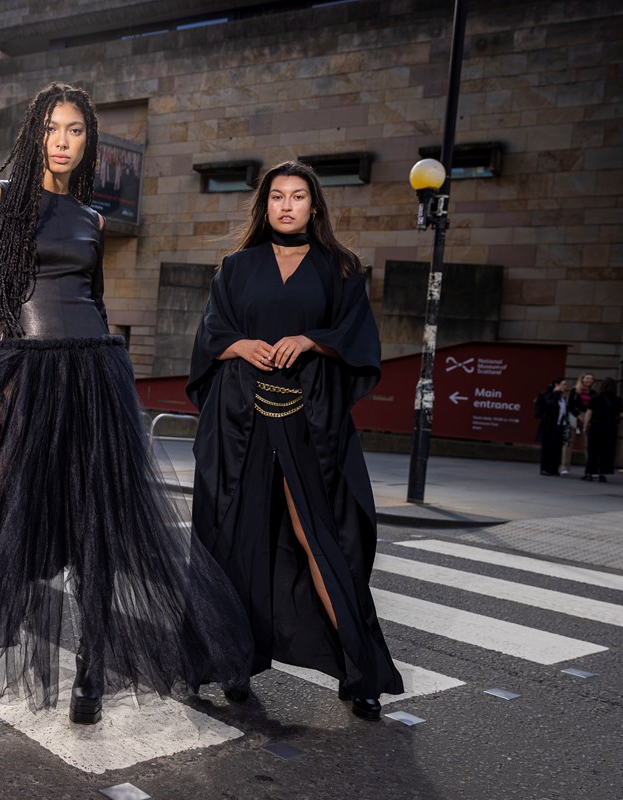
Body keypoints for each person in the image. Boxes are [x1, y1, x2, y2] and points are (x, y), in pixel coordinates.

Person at [0, 82, 251, 735]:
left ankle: (92, 673)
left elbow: (95, 304)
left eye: (75, 130)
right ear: (34, 133)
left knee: (96, 525)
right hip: (20, 374)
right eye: (53, 128)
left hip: (93, 373)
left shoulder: (92, 218)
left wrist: (112, 378)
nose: (64, 141)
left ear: (88, 139)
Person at [187, 160, 403, 721]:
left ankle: (361, 673)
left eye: (298, 196)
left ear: (314, 205)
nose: (287, 205)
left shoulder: (340, 268)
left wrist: (311, 339)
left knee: (320, 539)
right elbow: (211, 334)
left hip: (309, 422)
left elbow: (357, 339)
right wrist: (239, 347)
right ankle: (226, 662)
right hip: (239, 423)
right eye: (277, 196)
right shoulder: (235, 268)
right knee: (231, 539)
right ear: (265, 206)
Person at [583, 377, 623, 482]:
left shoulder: (595, 398)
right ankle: (602, 473)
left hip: (596, 425)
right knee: (606, 450)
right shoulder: (617, 399)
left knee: (593, 450)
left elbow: (589, 413)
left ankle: (589, 472)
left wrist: (585, 425)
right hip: (610, 427)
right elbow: (622, 413)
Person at [537, 377, 569, 476]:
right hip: (549, 425)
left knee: (557, 447)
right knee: (547, 447)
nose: (565, 386)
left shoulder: (562, 397)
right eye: (563, 384)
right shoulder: (549, 395)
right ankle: (545, 468)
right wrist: (555, 394)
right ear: (557, 385)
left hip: (559, 425)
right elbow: (550, 406)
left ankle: (554, 468)